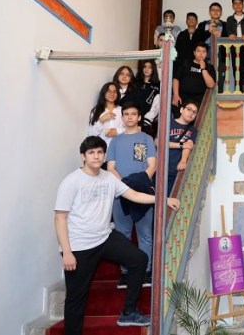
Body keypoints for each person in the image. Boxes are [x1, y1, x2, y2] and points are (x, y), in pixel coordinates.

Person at [54, 136, 180, 333]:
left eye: (99, 152)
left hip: (104, 238)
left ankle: (128, 312)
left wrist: (163, 199)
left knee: (139, 259)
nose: (96, 156)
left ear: (104, 155)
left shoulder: (108, 178)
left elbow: (133, 194)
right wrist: (67, 252)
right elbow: (60, 218)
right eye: (91, 153)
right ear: (83, 156)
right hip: (79, 246)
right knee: (76, 298)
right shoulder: (71, 181)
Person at [106, 103, 157, 288]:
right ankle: (126, 273)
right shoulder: (115, 141)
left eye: (133, 114)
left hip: (142, 192)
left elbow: (152, 166)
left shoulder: (146, 139)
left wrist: (138, 184)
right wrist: (124, 187)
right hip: (120, 194)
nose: (129, 117)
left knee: (145, 235)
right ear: (122, 118)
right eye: (126, 114)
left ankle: (146, 272)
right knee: (123, 235)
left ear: (139, 117)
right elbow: (110, 168)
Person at [167, 101, 199, 196]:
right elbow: (160, 142)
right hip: (162, 167)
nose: (191, 113)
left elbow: (189, 145)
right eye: (189, 109)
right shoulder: (169, 122)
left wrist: (183, 161)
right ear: (181, 110)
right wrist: (181, 145)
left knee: (171, 197)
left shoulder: (192, 130)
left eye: (194, 112)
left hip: (176, 169)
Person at [172, 42, 217, 110]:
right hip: (182, 98)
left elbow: (211, 85)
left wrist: (203, 69)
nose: (201, 54)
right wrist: (176, 95)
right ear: (194, 52)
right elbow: (176, 79)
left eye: (204, 51)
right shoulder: (186, 63)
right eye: (198, 51)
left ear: (206, 54)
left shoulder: (209, 67)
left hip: (199, 101)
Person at [88, 82, 125, 147]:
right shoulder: (96, 111)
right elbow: (91, 135)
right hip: (102, 149)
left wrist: (117, 131)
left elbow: (131, 129)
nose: (112, 94)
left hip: (120, 147)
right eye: (109, 91)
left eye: (115, 92)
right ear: (104, 93)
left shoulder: (122, 110)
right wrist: (101, 121)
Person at [134, 60, 160, 136]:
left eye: (150, 67)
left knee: (142, 142)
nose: (147, 69)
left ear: (153, 69)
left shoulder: (158, 85)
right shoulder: (135, 82)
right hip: (133, 118)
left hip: (147, 122)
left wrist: (146, 121)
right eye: (145, 67)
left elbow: (156, 105)